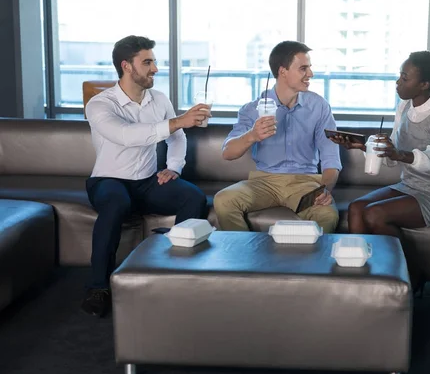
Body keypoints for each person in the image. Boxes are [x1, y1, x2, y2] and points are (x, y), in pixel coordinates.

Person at [82, 35, 210, 317]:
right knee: (116, 203)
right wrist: (179, 121)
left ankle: (177, 273)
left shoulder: (159, 99)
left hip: (147, 180)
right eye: (148, 62)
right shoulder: (100, 104)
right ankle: (98, 287)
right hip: (109, 179)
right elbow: (126, 136)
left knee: (194, 197)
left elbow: (177, 138)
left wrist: (174, 167)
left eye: (154, 61)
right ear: (127, 66)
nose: (155, 68)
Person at [331, 50, 430, 288]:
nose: (398, 83)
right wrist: (364, 146)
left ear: (424, 84)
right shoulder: (404, 107)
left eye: (404, 78)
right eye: (400, 76)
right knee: (356, 208)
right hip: (409, 186)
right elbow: (391, 155)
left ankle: (407, 279)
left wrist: (398, 153)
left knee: (374, 214)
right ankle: (363, 277)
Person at [213, 41, 342, 233]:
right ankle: (244, 255)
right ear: (283, 71)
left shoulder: (319, 106)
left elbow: (331, 157)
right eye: (303, 69)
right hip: (264, 181)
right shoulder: (252, 109)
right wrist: (252, 135)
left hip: (305, 182)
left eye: (310, 68)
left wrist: (325, 188)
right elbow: (228, 153)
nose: (311, 74)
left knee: (328, 215)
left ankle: (309, 263)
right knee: (224, 200)